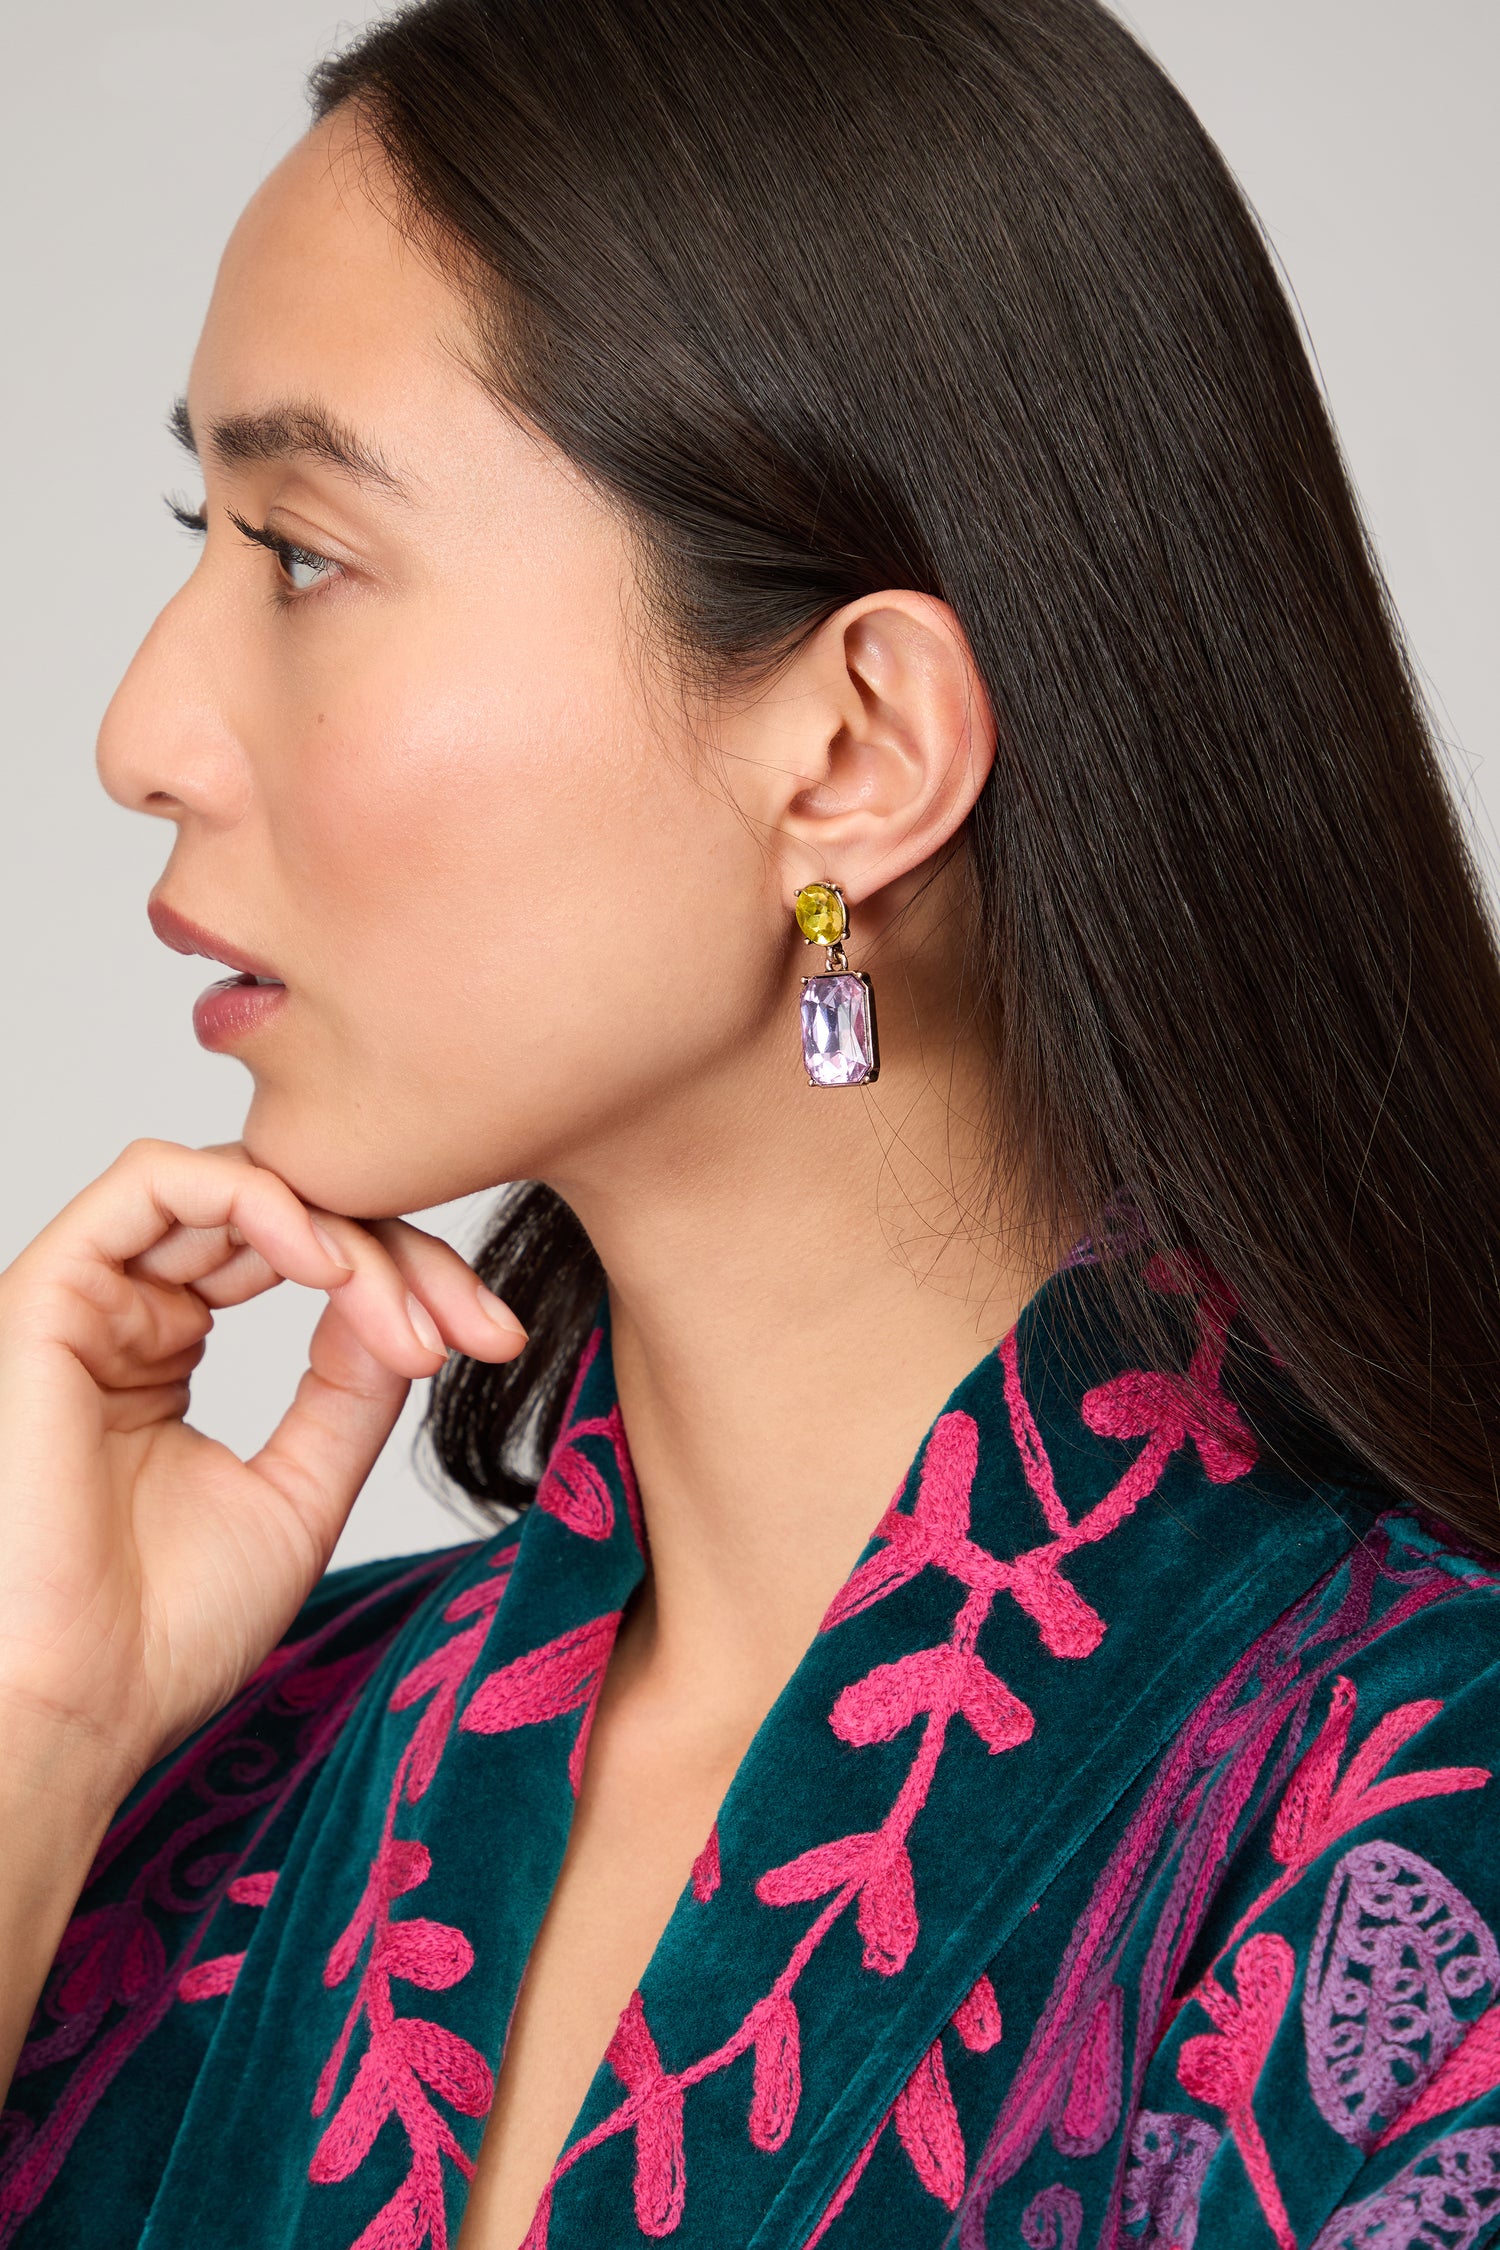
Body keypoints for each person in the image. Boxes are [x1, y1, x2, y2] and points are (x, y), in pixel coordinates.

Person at [3, 1, 1500, 2244]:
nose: (142, 730)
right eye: (193, 533)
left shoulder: (1412, 1809)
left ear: (849, 754)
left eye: (302, 550)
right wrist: (35, 1728)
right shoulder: (216, 1775)